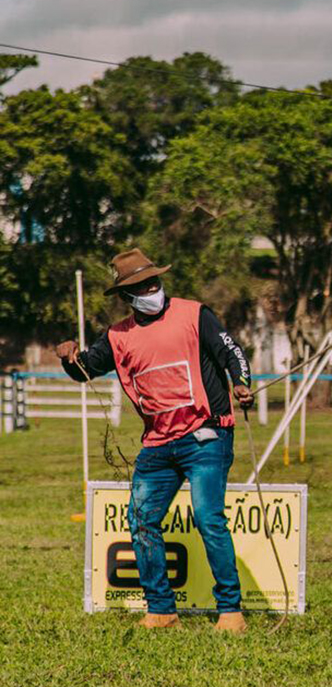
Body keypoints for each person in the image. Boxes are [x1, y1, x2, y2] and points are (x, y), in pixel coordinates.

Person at [56, 248, 255, 632]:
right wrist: (68, 358)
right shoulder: (117, 337)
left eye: (154, 281)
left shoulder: (195, 314)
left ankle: (230, 610)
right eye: (141, 286)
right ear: (127, 298)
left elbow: (232, 353)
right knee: (142, 520)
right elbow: (85, 371)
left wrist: (242, 384)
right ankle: (161, 610)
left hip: (207, 436)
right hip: (158, 445)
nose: (152, 289)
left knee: (208, 517)